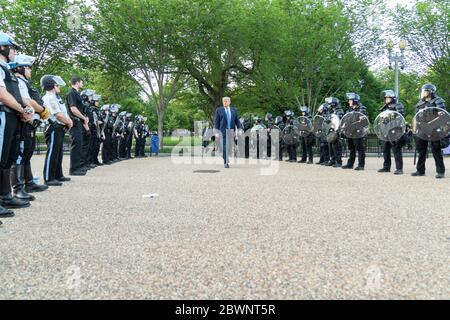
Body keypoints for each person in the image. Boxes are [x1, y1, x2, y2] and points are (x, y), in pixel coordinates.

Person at [0, 32, 34, 219]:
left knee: (7, 157)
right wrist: (22, 110)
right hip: (4, 114)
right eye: (11, 47)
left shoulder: (6, 70)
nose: (13, 51)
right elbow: (2, 95)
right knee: (0, 156)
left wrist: (21, 111)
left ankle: (5, 195)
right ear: (2, 47)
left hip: (12, 116)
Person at [9, 55, 50, 201]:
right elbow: (27, 100)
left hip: (30, 123)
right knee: (20, 154)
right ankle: (18, 188)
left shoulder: (23, 81)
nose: (30, 70)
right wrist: (42, 109)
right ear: (20, 68)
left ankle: (29, 182)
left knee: (26, 153)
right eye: (28, 67)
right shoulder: (19, 80)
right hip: (24, 121)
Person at [41, 75, 73, 186]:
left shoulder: (56, 97)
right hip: (53, 127)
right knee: (52, 152)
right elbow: (58, 115)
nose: (59, 86)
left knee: (59, 152)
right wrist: (69, 122)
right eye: (57, 85)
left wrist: (68, 121)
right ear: (52, 85)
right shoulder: (49, 97)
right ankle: (49, 177)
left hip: (60, 128)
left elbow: (63, 112)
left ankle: (58, 175)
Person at [412, 84, 447, 179]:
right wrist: (414, 130)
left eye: (425, 91)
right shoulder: (419, 103)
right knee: (421, 151)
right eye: (422, 91)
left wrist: (432, 124)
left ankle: (440, 172)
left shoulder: (438, 101)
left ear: (430, 91)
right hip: (422, 129)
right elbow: (416, 117)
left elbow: (443, 116)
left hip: (434, 130)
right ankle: (420, 170)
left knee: (436, 151)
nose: (423, 93)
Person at [377, 90, 406, 175]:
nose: (386, 99)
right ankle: (386, 167)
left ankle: (399, 169)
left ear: (393, 98)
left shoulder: (398, 106)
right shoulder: (384, 108)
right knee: (385, 150)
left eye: (388, 97)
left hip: (395, 131)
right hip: (385, 131)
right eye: (385, 97)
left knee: (396, 150)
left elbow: (400, 118)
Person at [66, 76, 88, 176]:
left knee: (79, 145)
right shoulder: (71, 93)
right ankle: (73, 169)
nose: (82, 84)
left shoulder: (76, 93)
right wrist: (83, 117)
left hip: (79, 122)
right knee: (76, 145)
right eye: (81, 82)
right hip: (74, 122)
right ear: (77, 82)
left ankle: (78, 167)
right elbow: (73, 109)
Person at [342, 93, 367, 171]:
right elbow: (346, 120)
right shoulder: (349, 110)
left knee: (360, 149)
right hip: (350, 132)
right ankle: (350, 164)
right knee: (351, 148)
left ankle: (361, 165)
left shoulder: (361, 109)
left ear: (355, 101)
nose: (349, 102)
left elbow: (363, 121)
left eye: (350, 100)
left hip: (358, 132)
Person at [214, 97, 242, 168]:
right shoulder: (219, 110)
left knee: (229, 147)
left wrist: (239, 129)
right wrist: (216, 131)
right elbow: (216, 122)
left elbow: (237, 121)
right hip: (222, 131)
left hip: (231, 131)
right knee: (225, 146)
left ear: (229, 102)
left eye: (226, 101)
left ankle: (223, 155)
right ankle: (226, 162)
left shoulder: (234, 110)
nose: (225, 102)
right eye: (224, 101)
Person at [323, 97, 343, 168]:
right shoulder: (331, 111)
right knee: (330, 146)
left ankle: (339, 161)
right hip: (331, 130)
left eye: (329, 104)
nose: (328, 105)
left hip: (337, 131)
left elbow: (339, 120)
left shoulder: (339, 111)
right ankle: (332, 160)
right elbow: (327, 119)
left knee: (336, 147)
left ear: (333, 104)